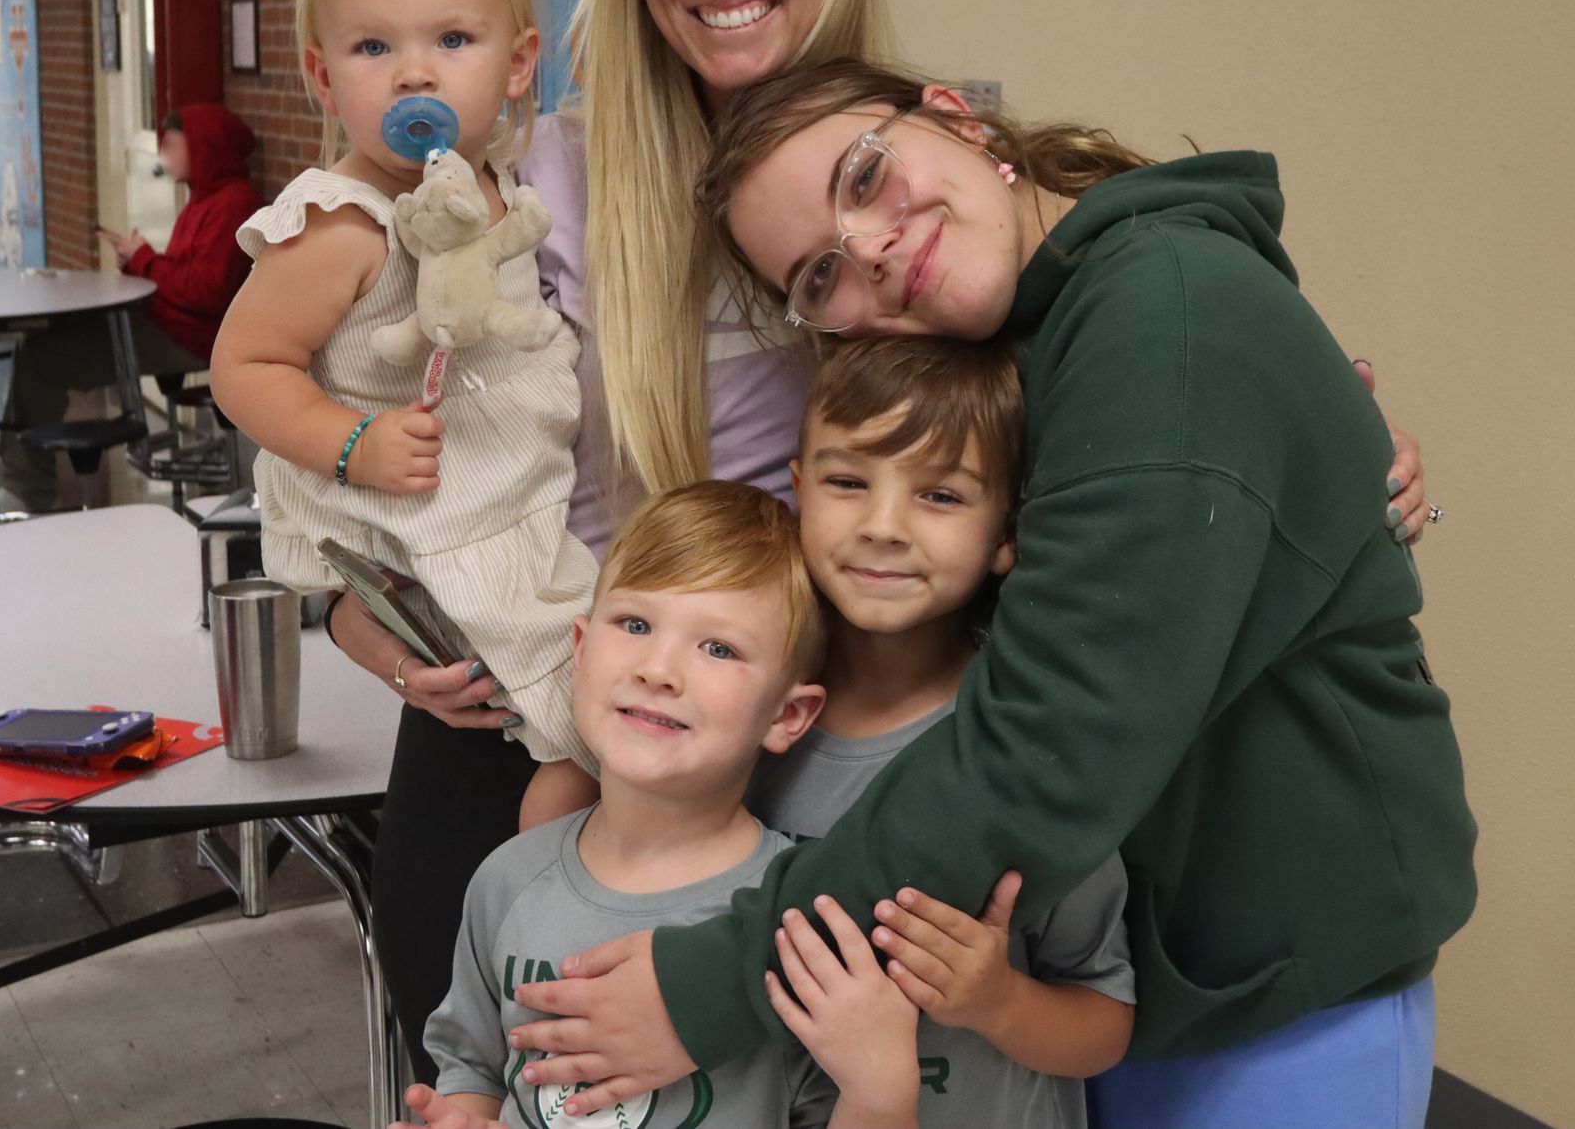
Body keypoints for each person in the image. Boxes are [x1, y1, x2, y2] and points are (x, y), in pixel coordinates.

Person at [322, 0, 1433, 1080]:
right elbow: (346, 423)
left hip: (838, 747)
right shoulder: (521, 183)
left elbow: (1141, 388)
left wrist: (1330, 441)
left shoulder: (961, 208)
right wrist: (364, 614)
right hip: (549, 711)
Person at [539, 58, 1468, 1129]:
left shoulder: (1163, 318)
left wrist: (713, 985)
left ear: (959, 120)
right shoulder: (1039, 335)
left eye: (864, 176)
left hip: (1283, 996)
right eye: (821, 275)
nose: (869, 249)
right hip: (1139, 984)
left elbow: (1048, 746)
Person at [212, 0, 601, 837]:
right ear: (323, 75)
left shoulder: (495, 183)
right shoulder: (340, 224)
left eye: (453, 39)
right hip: (428, 510)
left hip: (515, 491)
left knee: (591, 681)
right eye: (373, 47)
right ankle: (543, 879)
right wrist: (352, 443)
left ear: (518, 64)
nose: (414, 71)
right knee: (576, 717)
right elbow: (244, 366)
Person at [400, 480, 917, 1129]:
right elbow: (474, 1070)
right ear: (580, 650)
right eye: (636, 624)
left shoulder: (797, 917)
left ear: (787, 715)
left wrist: (881, 1090)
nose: (658, 669)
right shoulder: (506, 879)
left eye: (718, 647)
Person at [749, 335, 1135, 1126]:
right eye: (848, 481)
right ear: (798, 491)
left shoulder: (1029, 744)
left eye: (941, 495)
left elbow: (1105, 1017)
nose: (884, 525)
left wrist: (1000, 1001)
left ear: (1006, 533)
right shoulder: (747, 720)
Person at [0, 103, 258, 512]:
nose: (164, 155)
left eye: (173, 145)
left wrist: (144, 258)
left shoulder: (234, 204)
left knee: (41, 357)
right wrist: (137, 260)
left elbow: (205, 293)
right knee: (44, 343)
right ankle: (21, 473)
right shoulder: (201, 199)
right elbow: (182, 275)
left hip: (192, 337)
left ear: (204, 147)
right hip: (170, 323)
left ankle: (28, 488)